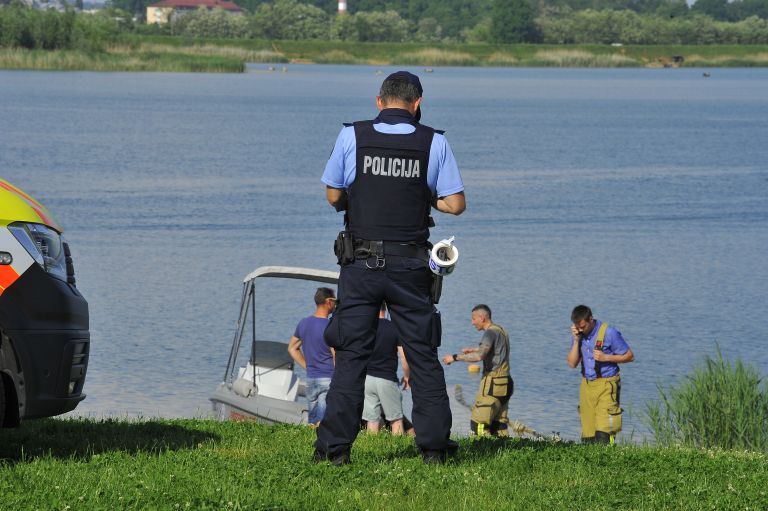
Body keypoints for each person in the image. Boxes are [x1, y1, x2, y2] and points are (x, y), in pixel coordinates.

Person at [315, 70, 466, 465]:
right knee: (422, 354)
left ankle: (334, 450)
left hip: (360, 264)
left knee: (351, 356)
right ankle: (433, 448)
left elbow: (333, 194)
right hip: (411, 266)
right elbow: (455, 204)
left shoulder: (353, 135)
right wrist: (421, 194)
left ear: (379, 102)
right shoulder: (435, 141)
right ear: (417, 104)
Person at [566, 304, 634, 444]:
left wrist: (606, 357)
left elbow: (629, 356)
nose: (580, 329)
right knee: (588, 437)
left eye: (583, 326)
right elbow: (572, 364)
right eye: (577, 327)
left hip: (607, 385)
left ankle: (608, 460)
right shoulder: (579, 335)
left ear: (591, 319)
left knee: (604, 434)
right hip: (587, 386)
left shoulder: (609, 333)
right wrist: (576, 341)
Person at [442, 304, 512, 437]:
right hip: (506, 382)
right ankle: (504, 449)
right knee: (499, 423)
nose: (472, 322)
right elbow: (497, 350)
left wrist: (455, 357)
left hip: (493, 383)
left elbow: (479, 356)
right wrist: (474, 349)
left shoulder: (489, 333)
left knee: (478, 422)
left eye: (474, 319)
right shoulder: (501, 330)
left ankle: (483, 448)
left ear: (482, 317)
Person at [287, 287, 337, 426]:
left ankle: (311, 444)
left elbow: (292, 348)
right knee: (323, 421)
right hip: (328, 378)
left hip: (311, 378)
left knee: (313, 419)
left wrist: (307, 366)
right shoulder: (330, 326)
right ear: (328, 302)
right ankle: (322, 445)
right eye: (335, 301)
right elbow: (335, 354)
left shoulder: (304, 323)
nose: (336, 304)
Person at [363, 303, 410, 435]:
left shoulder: (366, 328)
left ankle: (371, 451)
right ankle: (399, 451)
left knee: (372, 420)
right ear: (385, 309)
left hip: (368, 379)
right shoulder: (394, 328)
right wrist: (407, 376)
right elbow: (403, 356)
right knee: (396, 419)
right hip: (386, 379)